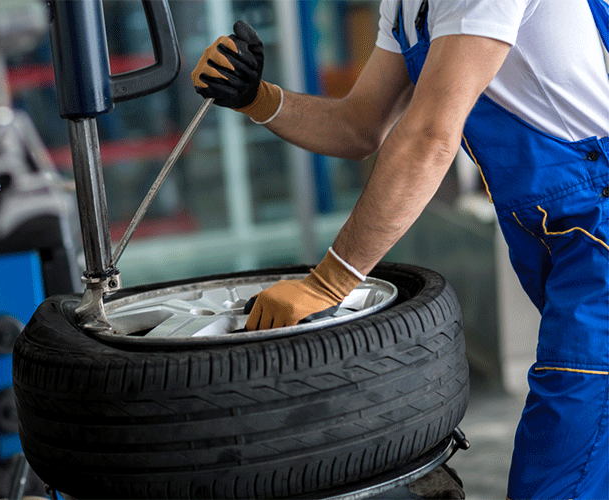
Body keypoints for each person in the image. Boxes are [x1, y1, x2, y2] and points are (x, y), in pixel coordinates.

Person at [191, 0, 609, 498]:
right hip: (555, 233)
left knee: (559, 467)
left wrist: (330, 282)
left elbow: (431, 135)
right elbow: (359, 126)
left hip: (596, 228)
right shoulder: (406, 5)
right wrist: (257, 98)